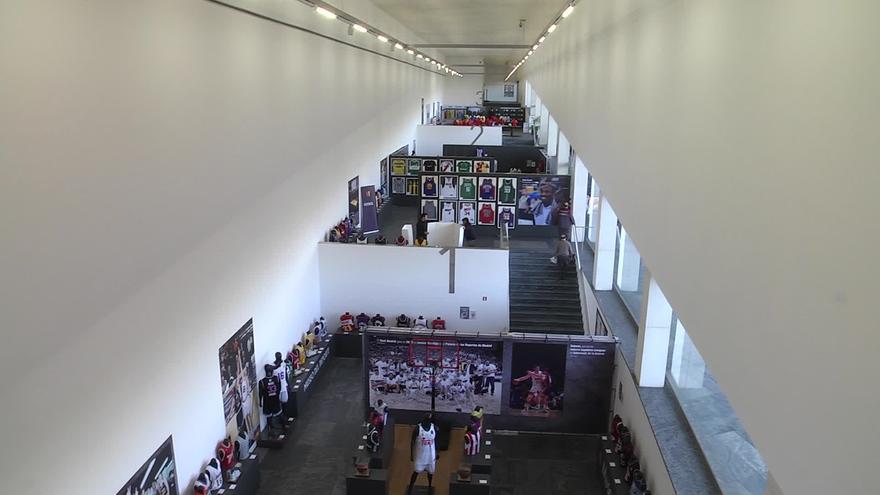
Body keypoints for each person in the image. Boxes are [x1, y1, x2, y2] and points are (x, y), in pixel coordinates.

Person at [406, 415, 438, 495]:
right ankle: (410, 487)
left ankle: (429, 486)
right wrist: (411, 454)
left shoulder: (434, 427)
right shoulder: (418, 428)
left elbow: (437, 441)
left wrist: (437, 452)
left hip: (431, 455)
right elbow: (412, 441)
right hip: (420, 455)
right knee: (416, 471)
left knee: (430, 472)